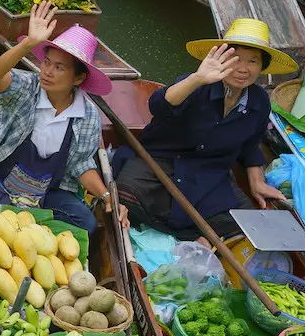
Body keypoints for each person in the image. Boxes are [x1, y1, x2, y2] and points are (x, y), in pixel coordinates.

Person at [112, 18, 292, 239]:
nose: (243, 69)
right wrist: (197, 79)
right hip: (160, 163)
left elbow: (250, 145)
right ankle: (196, 236)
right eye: (235, 58)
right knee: (125, 193)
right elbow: (158, 106)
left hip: (209, 177)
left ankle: (199, 238)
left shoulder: (260, 102)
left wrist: (256, 181)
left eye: (252, 61)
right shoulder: (196, 83)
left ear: (262, 67)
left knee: (244, 225)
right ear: (222, 57)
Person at [0, 1, 110, 234]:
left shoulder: (88, 117)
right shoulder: (27, 88)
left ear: (78, 79)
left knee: (86, 224)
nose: (47, 71)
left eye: (59, 67)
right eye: (46, 62)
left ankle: (17, 221)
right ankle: (19, 221)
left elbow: (81, 165)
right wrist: (30, 43)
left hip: (45, 195)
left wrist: (106, 196)